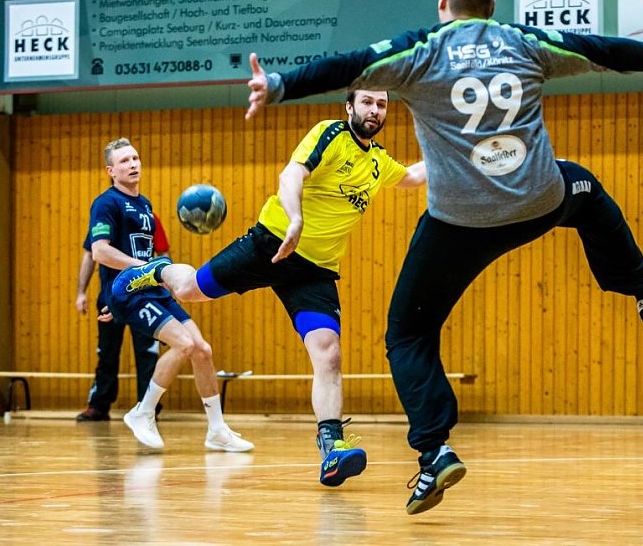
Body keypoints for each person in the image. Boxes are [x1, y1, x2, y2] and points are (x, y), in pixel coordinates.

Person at [241, 0, 643, 514]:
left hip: (459, 224)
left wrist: (282, 85)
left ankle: (433, 453)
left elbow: (352, 65)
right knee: (588, 192)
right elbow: (606, 50)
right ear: (491, 6)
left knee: (408, 336)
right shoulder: (523, 43)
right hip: (537, 202)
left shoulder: (421, 51)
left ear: (443, 2)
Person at [117, 89, 426, 485]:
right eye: (367, 102)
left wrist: (455, 152)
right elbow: (291, 174)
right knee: (191, 289)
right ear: (350, 107)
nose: (374, 110)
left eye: (381, 104)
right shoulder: (330, 134)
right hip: (272, 244)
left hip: (314, 271)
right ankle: (159, 270)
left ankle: (332, 448)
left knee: (328, 353)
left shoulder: (377, 161)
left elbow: (414, 176)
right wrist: (295, 219)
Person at [102, 258, 255, 452]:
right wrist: (116, 306)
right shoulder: (176, 279)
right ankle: (142, 412)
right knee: (184, 344)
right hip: (129, 293)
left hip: (154, 291)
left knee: (202, 351)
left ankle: (217, 431)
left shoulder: (175, 273)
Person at [75, 213, 169, 421]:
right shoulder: (104, 217)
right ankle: (99, 404)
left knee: (148, 353)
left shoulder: (149, 217)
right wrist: (81, 291)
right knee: (107, 352)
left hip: (144, 297)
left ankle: (148, 407)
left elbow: (163, 253)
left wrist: (165, 287)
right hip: (110, 298)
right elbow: (91, 254)